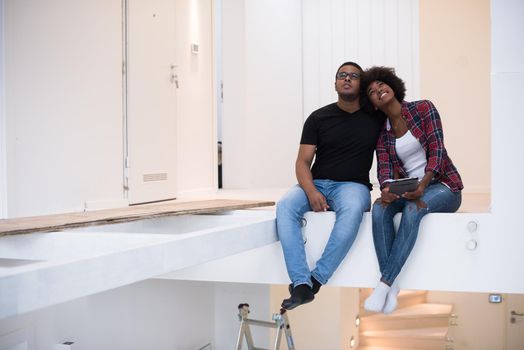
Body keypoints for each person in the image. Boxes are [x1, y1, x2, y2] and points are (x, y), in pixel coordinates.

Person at [276, 62, 385, 310]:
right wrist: (312, 191)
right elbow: (302, 162)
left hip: (353, 186)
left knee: (353, 212)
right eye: (342, 75)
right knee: (285, 206)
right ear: (335, 83)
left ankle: (316, 279)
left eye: (354, 76)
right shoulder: (318, 118)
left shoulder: (375, 118)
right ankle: (300, 283)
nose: (347, 79)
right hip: (317, 182)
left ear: (362, 84)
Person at [362, 66, 463, 314]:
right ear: (373, 104)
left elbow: (437, 150)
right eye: (372, 92)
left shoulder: (423, 108)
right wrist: (386, 190)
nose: (378, 90)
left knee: (412, 209)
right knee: (378, 209)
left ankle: (384, 284)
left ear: (393, 86)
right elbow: (383, 170)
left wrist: (423, 185)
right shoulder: (382, 135)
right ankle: (393, 284)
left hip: (443, 186)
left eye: (381, 85)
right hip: (409, 188)